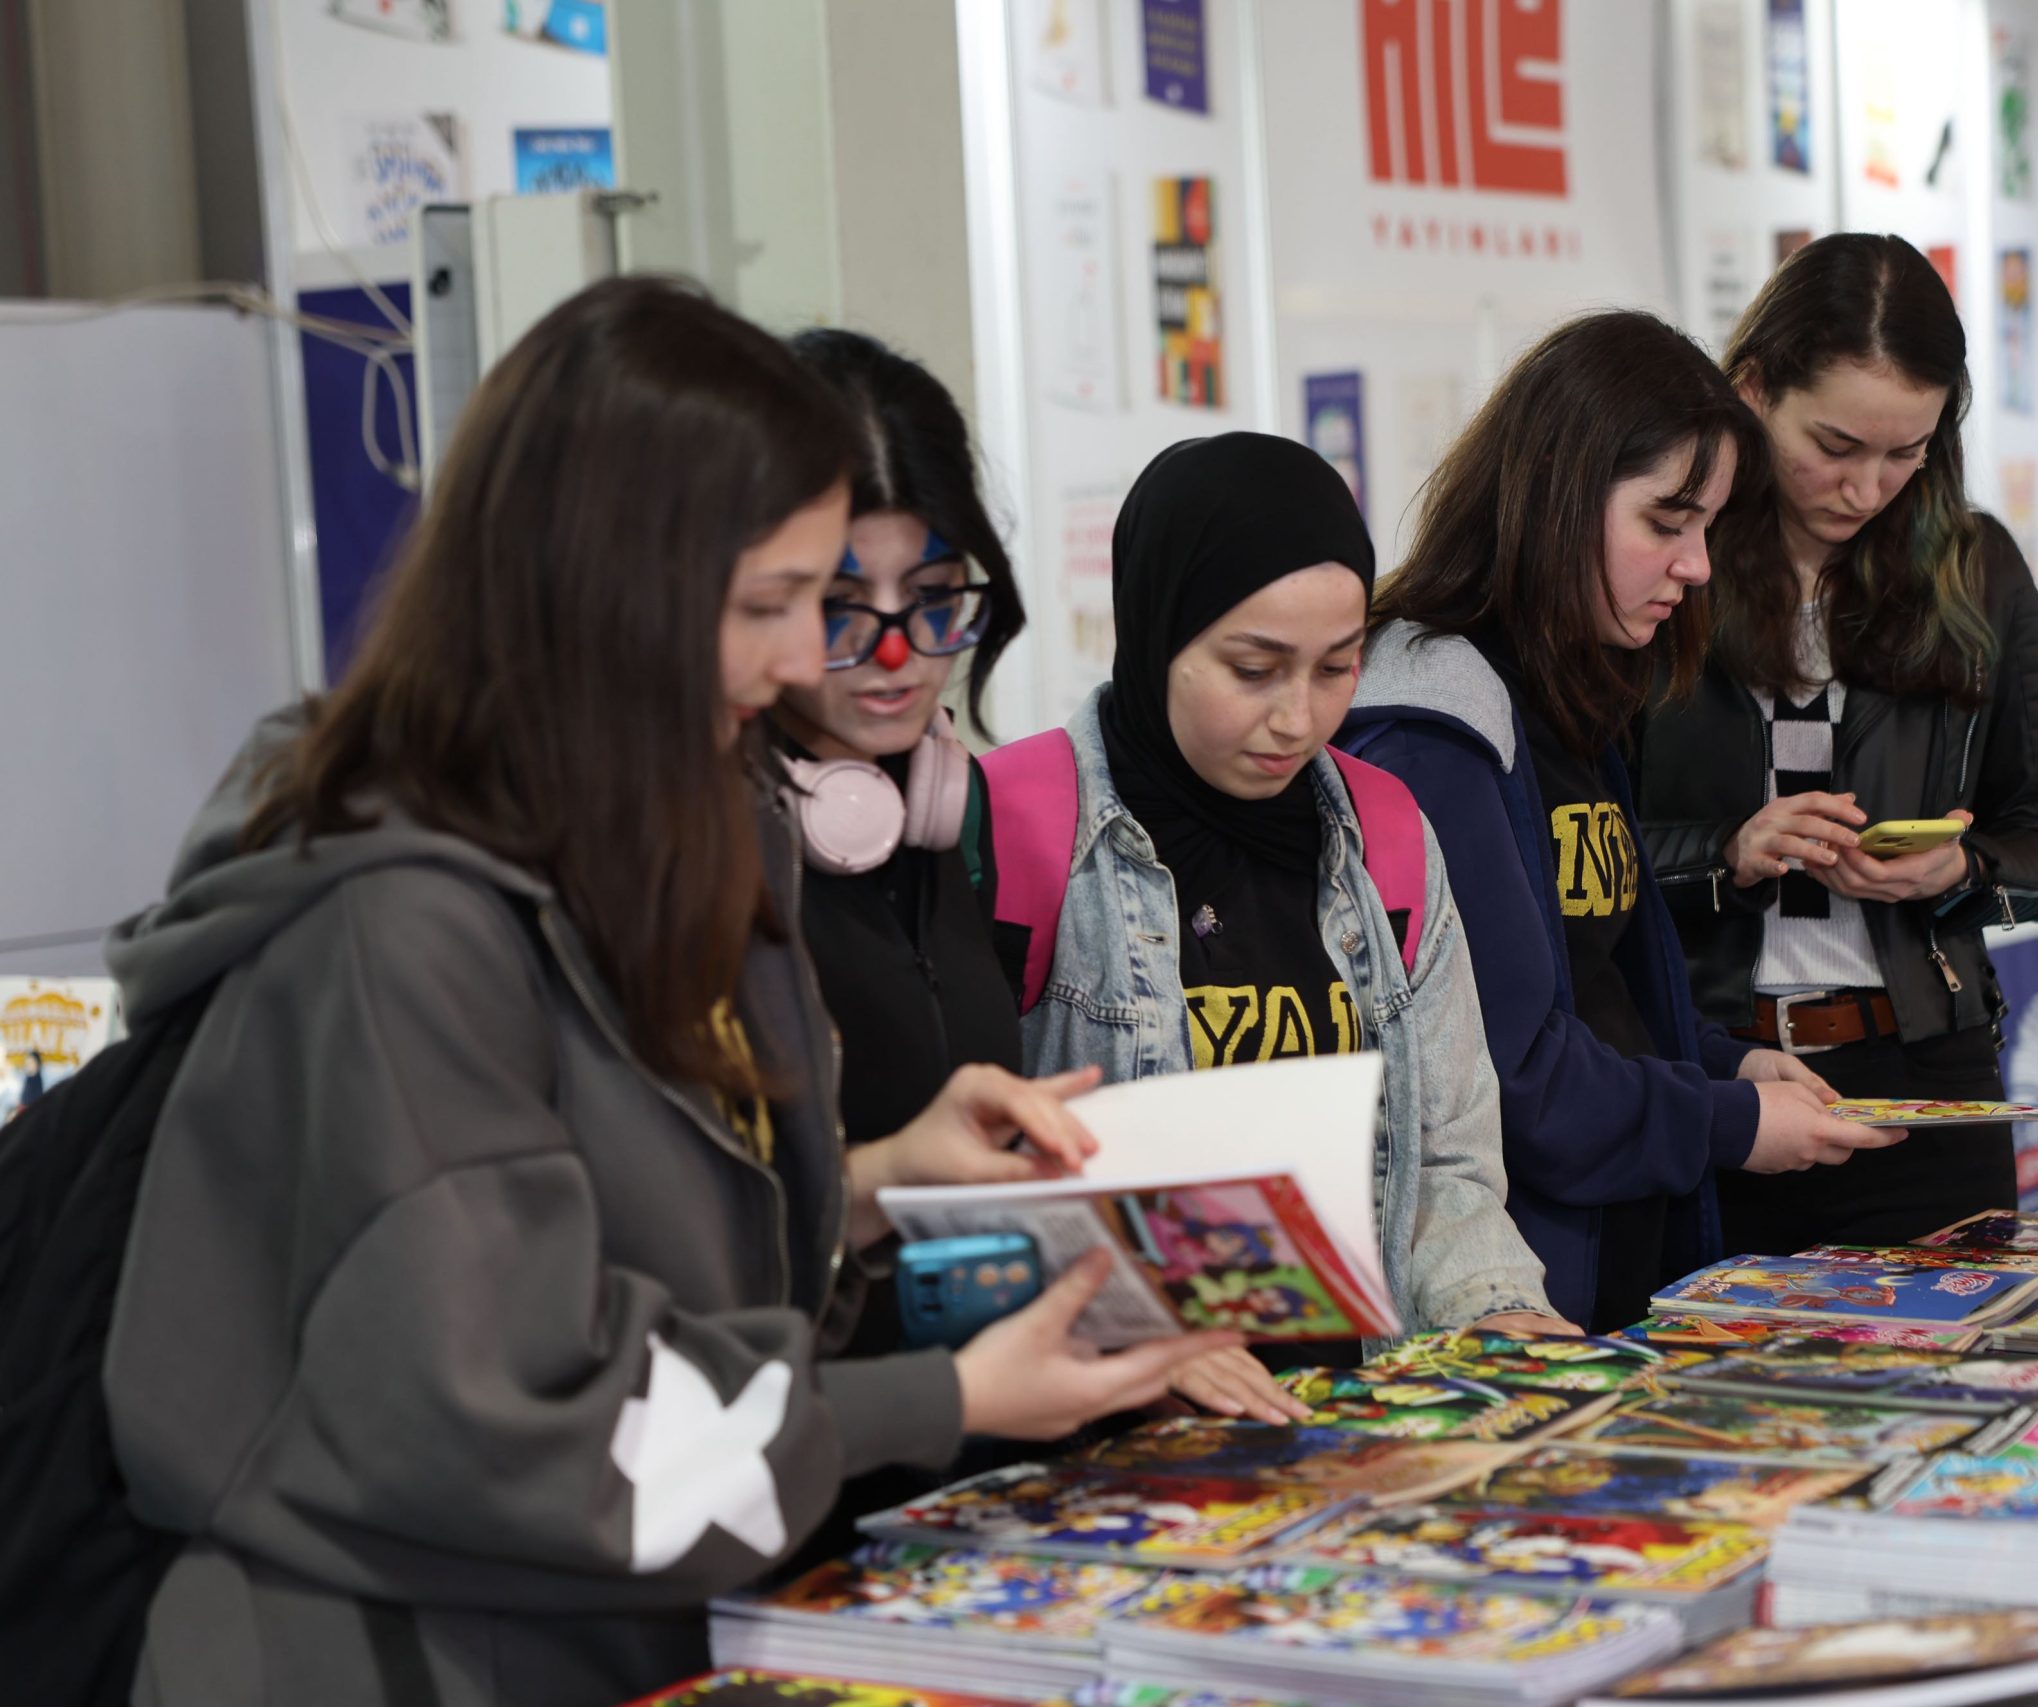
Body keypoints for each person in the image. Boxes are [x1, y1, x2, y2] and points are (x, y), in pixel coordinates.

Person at [99, 279, 1228, 1707]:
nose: (795, 661)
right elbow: (522, 1414)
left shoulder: (663, 837)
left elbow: (647, 1271)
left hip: (615, 1626)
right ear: (602, 584)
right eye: (772, 605)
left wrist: (872, 1182)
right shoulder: (401, 927)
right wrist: (940, 1397)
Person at [996, 432, 1577, 1422]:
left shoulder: (1384, 832)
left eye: (1335, 668)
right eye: (1254, 669)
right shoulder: (1014, 825)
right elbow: (966, 1192)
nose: (1297, 719)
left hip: (1343, 1417)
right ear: (1153, 629)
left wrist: (1500, 1316)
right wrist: (1142, 1332)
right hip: (1107, 1427)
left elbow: (1442, 1163)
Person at [1341, 311, 1895, 1335]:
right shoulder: (1434, 726)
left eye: (1706, 530)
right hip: (1512, 1301)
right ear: (1555, 493)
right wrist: (1726, 1120)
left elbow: (1602, 991)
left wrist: (1720, 1061)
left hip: (1611, 1264)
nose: (1694, 569)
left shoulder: (1574, 693)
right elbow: (1512, 1077)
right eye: (1664, 523)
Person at [1636, 233, 2038, 1256]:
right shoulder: (1662, 572)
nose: (1865, 487)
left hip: (1924, 1082)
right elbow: (1578, 846)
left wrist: (1954, 868)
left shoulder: (1977, 571)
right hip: (1709, 1075)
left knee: (1945, 1392)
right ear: (1751, 390)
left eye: (1906, 452)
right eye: (1833, 447)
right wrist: (1725, 853)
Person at [765, 329, 1031, 1358]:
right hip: (810, 1455)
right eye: (838, 608)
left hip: (986, 1427)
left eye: (931, 601)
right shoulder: (702, 854)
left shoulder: (944, 816)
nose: (895, 654)